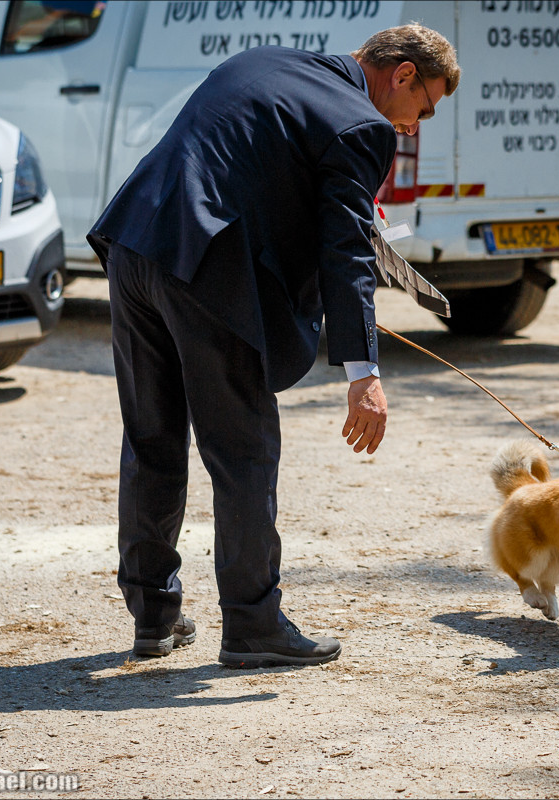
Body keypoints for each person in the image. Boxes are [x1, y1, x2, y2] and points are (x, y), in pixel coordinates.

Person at [86, 25, 460, 667]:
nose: (414, 126)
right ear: (401, 74)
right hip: (204, 271)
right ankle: (254, 627)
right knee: (244, 453)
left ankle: (153, 617)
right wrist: (362, 372)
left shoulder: (265, 62)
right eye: (423, 107)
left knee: (152, 438)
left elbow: (244, 169)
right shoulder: (362, 127)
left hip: (136, 242)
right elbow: (343, 255)